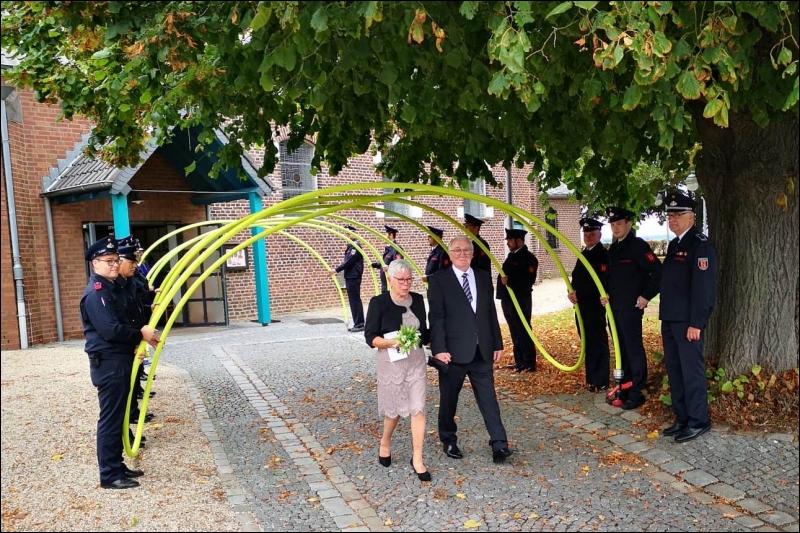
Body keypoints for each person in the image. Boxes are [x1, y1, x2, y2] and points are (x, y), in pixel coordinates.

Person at [80, 237, 159, 489]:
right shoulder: (97, 294)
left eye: (116, 261)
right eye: (108, 261)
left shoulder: (112, 288)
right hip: (109, 363)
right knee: (112, 418)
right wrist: (140, 335)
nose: (114, 265)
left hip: (119, 358)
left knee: (120, 415)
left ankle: (117, 465)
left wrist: (136, 343)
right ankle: (110, 474)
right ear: (95, 264)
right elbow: (111, 329)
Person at [428, 235, 513, 464]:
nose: (462, 254)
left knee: (489, 399)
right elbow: (436, 318)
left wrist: (497, 342)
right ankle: (448, 440)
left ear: (473, 253)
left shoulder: (484, 278)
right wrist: (439, 349)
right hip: (452, 353)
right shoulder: (438, 281)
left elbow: (490, 313)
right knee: (449, 400)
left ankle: (499, 444)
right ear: (450, 253)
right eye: (457, 250)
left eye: (466, 250)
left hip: (482, 350)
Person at [364, 259, 431, 481]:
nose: (405, 284)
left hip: (415, 362)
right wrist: (392, 343)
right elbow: (370, 337)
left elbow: (425, 330)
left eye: (409, 279)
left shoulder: (419, 300)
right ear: (390, 280)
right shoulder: (378, 302)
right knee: (393, 411)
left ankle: (418, 458)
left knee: (418, 408)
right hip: (390, 362)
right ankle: (385, 441)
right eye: (401, 280)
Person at [659, 191, 717, 443]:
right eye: (670, 215)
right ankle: (682, 417)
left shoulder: (699, 244)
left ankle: (698, 420)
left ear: (691, 216)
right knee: (675, 370)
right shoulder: (674, 245)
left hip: (688, 322)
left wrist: (696, 322)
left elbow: (704, 288)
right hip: (670, 319)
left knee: (691, 371)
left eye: (678, 214)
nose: (673, 219)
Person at [603, 206, 662, 410]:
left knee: (633, 349)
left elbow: (657, 272)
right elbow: (610, 278)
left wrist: (646, 296)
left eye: (619, 224)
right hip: (615, 308)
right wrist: (606, 294)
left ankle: (637, 391)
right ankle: (625, 387)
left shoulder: (638, 246)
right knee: (621, 350)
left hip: (631, 308)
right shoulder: (614, 249)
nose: (616, 228)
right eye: (612, 224)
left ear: (628, 224)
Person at [568, 218, 611, 392]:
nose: (588, 237)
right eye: (586, 234)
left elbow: (604, 281)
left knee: (597, 341)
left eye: (592, 234)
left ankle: (601, 379)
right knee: (587, 341)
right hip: (582, 307)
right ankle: (591, 379)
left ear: (599, 235)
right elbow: (577, 278)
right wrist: (572, 292)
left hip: (595, 306)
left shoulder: (603, 255)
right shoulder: (583, 255)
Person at [496, 228, 539, 372]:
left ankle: (529, 362)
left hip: (520, 299)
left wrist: (510, 281)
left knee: (523, 329)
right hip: (508, 299)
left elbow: (528, 280)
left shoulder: (528, 258)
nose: (508, 243)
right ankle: (519, 361)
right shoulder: (512, 256)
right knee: (514, 330)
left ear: (519, 240)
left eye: (510, 240)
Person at [330, 226, 365, 332]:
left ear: (353, 234)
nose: (346, 236)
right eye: (346, 234)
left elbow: (349, 261)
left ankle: (359, 324)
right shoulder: (351, 246)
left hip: (353, 276)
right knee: (353, 301)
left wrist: (336, 270)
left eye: (348, 234)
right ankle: (357, 323)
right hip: (351, 276)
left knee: (355, 301)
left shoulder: (355, 246)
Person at [371, 225, 404, 292]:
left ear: (391, 235)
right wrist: (374, 264)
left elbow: (398, 265)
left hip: (391, 285)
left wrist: (388, 268)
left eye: (385, 235)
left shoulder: (396, 249)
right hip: (385, 285)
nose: (384, 237)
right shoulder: (389, 248)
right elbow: (385, 262)